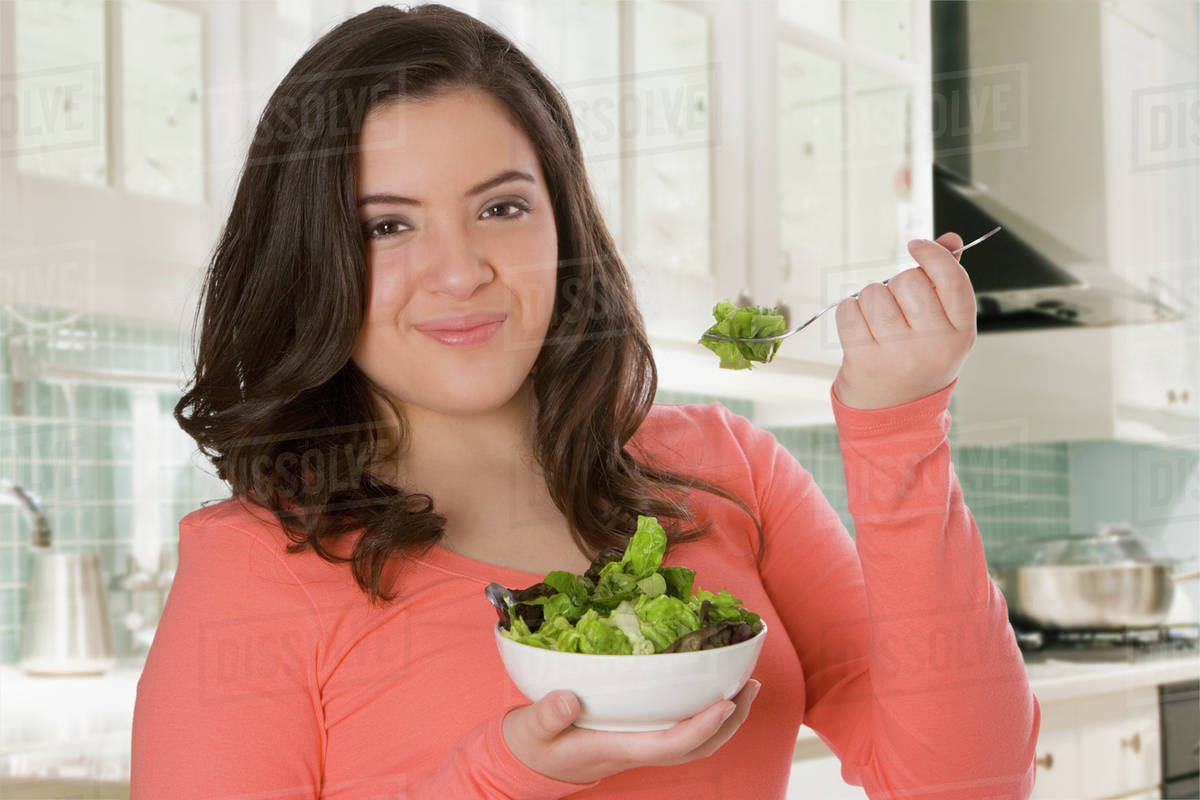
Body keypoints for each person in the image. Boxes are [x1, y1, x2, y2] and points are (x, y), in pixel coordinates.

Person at [130, 4, 1041, 798]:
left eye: (502, 208)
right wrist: (508, 776)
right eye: (386, 226)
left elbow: (966, 784)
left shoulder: (727, 474)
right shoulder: (254, 568)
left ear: (564, 224)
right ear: (309, 259)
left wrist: (899, 427)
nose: (460, 271)